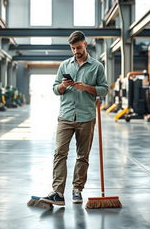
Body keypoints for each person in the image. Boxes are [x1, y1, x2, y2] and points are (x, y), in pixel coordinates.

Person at [41, 31, 108, 206]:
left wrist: (87, 87)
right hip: (66, 116)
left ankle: (77, 190)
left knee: (82, 156)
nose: (76, 51)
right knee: (60, 153)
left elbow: (104, 89)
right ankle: (58, 192)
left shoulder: (97, 67)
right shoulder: (64, 65)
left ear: (85, 44)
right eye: (72, 48)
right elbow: (55, 89)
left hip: (86, 117)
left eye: (78, 47)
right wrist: (63, 85)